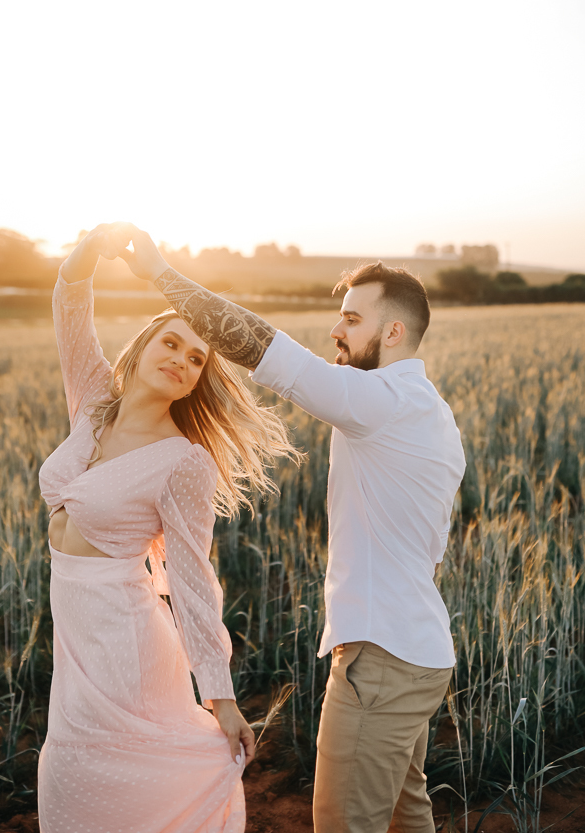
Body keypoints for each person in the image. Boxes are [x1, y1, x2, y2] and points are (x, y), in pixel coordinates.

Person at [118, 225, 466, 833]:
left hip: (382, 659)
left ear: (393, 332)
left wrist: (161, 274)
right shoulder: (434, 414)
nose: (336, 330)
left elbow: (263, 347)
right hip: (421, 654)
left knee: (343, 822)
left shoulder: (381, 401)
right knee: (406, 814)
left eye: (352, 319)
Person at [37, 222, 298, 833]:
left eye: (196, 358)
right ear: (142, 346)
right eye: (172, 343)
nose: (182, 359)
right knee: (69, 771)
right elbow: (70, 312)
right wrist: (85, 254)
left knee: (117, 772)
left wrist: (221, 697)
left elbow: (192, 581)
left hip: (123, 638)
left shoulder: (185, 462)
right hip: (75, 633)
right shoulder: (94, 403)